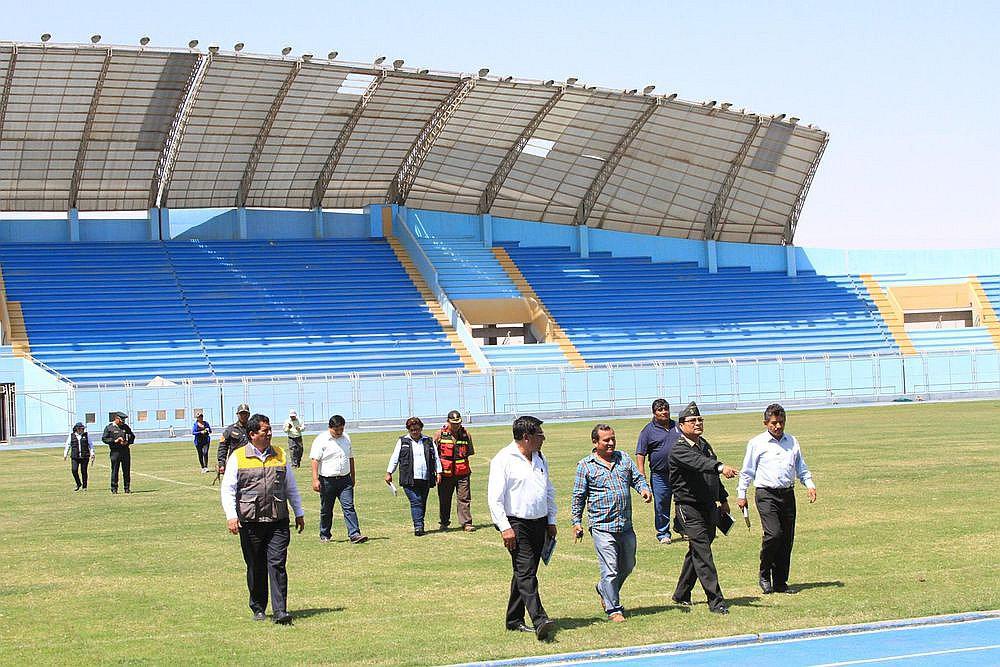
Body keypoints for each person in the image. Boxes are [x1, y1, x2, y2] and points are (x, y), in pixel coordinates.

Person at [220, 413, 305, 625]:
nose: (268, 434)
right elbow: (228, 489)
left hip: (278, 520)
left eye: (269, 430)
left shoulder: (280, 454)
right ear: (252, 434)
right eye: (264, 431)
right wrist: (231, 516)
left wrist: (299, 511)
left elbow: (290, 486)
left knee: (277, 564)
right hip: (250, 522)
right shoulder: (238, 457)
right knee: (256, 565)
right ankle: (258, 606)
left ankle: (280, 611)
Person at [571, 424, 653, 622]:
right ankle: (613, 609)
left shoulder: (623, 458)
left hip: (625, 525)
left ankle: (603, 589)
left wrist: (644, 489)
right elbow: (578, 496)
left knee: (628, 565)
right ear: (595, 442)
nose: (610, 443)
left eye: (613, 439)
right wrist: (576, 521)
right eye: (606, 440)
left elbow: (637, 478)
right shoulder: (586, 465)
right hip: (601, 527)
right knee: (610, 569)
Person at [487, 415, 557, 641]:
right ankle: (540, 619)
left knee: (524, 572)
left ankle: (514, 619)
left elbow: (548, 490)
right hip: (516, 523)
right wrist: (505, 528)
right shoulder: (503, 459)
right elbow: (494, 499)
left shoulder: (540, 458)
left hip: (539, 521)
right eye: (539, 434)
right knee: (526, 572)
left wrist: (551, 520)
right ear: (526, 437)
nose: (543, 438)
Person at [737, 403, 817, 595]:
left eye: (781, 422)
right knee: (774, 534)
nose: (778, 426)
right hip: (766, 494)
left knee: (786, 539)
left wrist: (810, 484)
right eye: (774, 423)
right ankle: (764, 575)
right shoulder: (757, 443)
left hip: (787, 494)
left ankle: (780, 581)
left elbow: (801, 467)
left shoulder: (792, 441)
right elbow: (747, 471)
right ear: (766, 423)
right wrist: (742, 494)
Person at [668, 402, 738, 614]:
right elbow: (700, 464)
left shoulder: (704, 444)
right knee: (703, 553)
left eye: (700, 420)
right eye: (692, 421)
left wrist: (723, 498)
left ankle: (681, 593)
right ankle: (716, 601)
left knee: (697, 551)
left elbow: (711, 476)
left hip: (708, 506)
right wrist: (720, 467)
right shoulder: (679, 449)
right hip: (688, 508)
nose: (697, 423)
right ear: (681, 426)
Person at [310, 415, 368, 544]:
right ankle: (325, 534)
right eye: (336, 430)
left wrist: (353, 476)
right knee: (326, 509)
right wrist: (315, 479)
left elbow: (351, 458)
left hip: (344, 480)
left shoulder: (346, 438)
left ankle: (354, 534)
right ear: (330, 428)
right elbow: (315, 460)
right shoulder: (321, 440)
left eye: (341, 429)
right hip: (327, 480)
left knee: (349, 507)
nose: (339, 432)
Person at [635, 398, 682, 544]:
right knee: (661, 503)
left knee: (683, 501)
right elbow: (640, 453)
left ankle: (682, 527)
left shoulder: (678, 426)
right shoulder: (648, 430)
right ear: (654, 413)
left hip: (680, 473)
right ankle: (663, 534)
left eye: (666, 409)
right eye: (660, 410)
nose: (664, 412)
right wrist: (641, 475)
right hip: (659, 475)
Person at [386, 417, 442, 536]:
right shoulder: (402, 441)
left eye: (417, 429)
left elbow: (436, 457)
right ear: (408, 430)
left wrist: (439, 472)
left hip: (425, 477)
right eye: (412, 430)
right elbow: (395, 458)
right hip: (409, 478)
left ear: (421, 428)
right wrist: (389, 472)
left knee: (422, 501)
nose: (415, 432)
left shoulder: (428, 441)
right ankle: (418, 526)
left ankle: (420, 523)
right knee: (416, 501)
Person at [434, 409, 475, 532]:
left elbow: (469, 452)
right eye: (453, 423)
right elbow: (433, 455)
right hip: (445, 474)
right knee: (444, 499)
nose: (456, 425)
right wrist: (437, 472)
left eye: (458, 422)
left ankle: (466, 523)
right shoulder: (439, 434)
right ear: (448, 422)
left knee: (464, 498)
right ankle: (444, 523)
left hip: (462, 473)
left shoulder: (466, 434)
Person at [102, 411, 135, 494]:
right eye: (121, 420)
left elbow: (132, 436)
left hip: (125, 451)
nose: (122, 422)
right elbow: (104, 439)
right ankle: (114, 488)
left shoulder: (125, 427)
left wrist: (128, 441)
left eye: (123, 421)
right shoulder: (109, 427)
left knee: (126, 470)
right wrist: (115, 441)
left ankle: (127, 488)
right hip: (115, 452)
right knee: (115, 470)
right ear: (116, 418)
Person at [218, 404, 251, 475]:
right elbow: (223, 447)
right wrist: (221, 463)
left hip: (251, 462)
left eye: (245, 413)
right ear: (237, 414)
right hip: (235, 463)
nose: (243, 416)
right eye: (241, 413)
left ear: (249, 415)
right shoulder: (230, 430)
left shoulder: (254, 429)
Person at [63, 422, 94, 491]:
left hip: (84, 456)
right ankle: (78, 483)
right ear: (77, 429)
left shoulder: (86, 435)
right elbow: (68, 445)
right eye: (81, 428)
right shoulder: (71, 436)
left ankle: (84, 486)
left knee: (84, 471)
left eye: (83, 428)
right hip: (75, 456)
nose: (82, 430)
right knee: (74, 470)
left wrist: (92, 453)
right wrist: (65, 454)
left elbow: (90, 445)